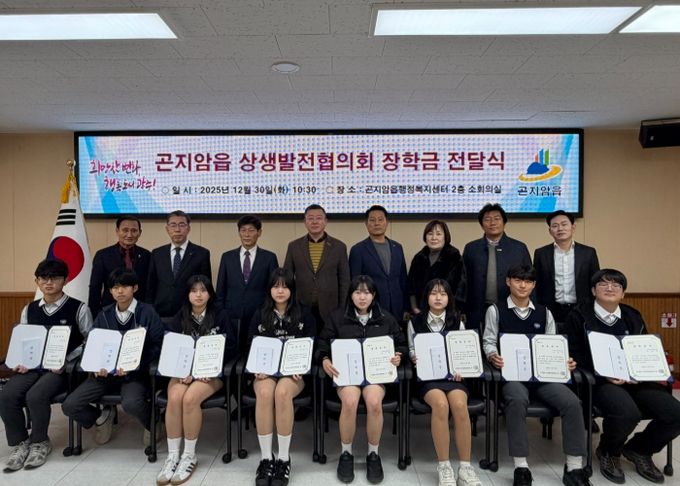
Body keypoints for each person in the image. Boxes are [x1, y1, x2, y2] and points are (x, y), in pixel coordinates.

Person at [563, 269, 680, 485]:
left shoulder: (632, 315)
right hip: (600, 381)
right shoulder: (579, 316)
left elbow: (643, 347)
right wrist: (604, 373)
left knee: (675, 413)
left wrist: (643, 371)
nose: (610, 288)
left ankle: (639, 449)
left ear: (623, 293)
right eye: (603, 284)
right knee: (627, 413)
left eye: (616, 285)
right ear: (593, 290)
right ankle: (609, 451)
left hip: (636, 380)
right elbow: (574, 353)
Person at [482, 265, 591, 486]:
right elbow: (489, 341)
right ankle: (521, 466)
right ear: (508, 282)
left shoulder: (544, 312)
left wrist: (564, 361)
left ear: (533, 285)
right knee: (516, 399)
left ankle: (574, 467)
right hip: (513, 376)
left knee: (572, 402)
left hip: (543, 377)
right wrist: (493, 356)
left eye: (528, 281)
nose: (522, 285)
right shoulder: (496, 310)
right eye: (517, 280)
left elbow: (553, 344)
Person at [0, 259, 92, 472]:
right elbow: (23, 339)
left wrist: (66, 361)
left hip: (61, 370)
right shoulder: (30, 309)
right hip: (32, 367)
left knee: (36, 395)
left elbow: (90, 340)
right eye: (43, 278)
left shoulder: (78, 308)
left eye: (55, 278)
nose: (49, 282)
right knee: (7, 395)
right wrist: (21, 361)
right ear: (37, 281)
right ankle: (21, 443)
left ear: (65, 281)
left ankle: (40, 442)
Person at [317, 275, 408, 484]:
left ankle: (373, 454)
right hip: (347, 375)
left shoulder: (386, 318)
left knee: (374, 402)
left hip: (375, 375)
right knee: (349, 401)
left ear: (373, 295)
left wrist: (399, 356)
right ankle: (346, 453)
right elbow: (322, 344)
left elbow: (401, 344)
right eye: (357, 292)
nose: (362, 297)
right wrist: (324, 360)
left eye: (367, 292)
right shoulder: (337, 317)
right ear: (351, 295)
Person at [62, 269, 164, 447]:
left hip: (135, 374)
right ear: (110, 291)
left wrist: (136, 364)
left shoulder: (147, 312)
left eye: (125, 286)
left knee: (131, 403)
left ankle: (152, 422)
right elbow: (92, 344)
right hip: (104, 374)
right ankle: (101, 418)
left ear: (135, 288)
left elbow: (158, 345)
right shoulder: (104, 314)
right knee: (70, 405)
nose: (120, 291)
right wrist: (95, 366)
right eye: (115, 287)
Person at [406, 278, 482, 486]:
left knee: (459, 405)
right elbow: (412, 349)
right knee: (440, 404)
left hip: (454, 378)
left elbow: (464, 350)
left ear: (449, 298)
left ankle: (465, 468)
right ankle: (444, 466)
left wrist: (462, 368)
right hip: (429, 378)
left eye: (443, 293)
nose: (438, 298)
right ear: (426, 297)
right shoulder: (415, 322)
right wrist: (414, 357)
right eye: (433, 293)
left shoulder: (458, 321)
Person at [156, 275, 229, 486]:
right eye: (194, 291)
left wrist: (206, 370)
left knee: (189, 399)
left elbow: (230, 349)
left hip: (210, 374)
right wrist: (182, 371)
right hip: (183, 373)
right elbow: (170, 348)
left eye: (203, 290)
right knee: (175, 397)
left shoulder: (221, 316)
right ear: (187, 294)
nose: (198, 295)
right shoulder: (179, 317)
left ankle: (189, 455)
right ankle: (172, 456)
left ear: (210, 294)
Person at [249, 268, 316, 486]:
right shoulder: (259, 313)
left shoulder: (304, 313)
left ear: (292, 290)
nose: (280, 291)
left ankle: (284, 459)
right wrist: (257, 367)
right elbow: (251, 345)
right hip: (265, 372)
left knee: (282, 393)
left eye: (285, 286)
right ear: (269, 289)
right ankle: (266, 458)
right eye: (276, 286)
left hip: (293, 373)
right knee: (265, 392)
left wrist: (302, 365)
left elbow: (312, 345)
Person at [462, 203, 531, 331]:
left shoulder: (519, 248)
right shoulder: (471, 248)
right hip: (477, 309)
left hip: (510, 307)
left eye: (497, 218)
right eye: (487, 219)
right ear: (481, 224)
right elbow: (464, 281)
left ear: (504, 222)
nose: (492, 223)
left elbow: (529, 279)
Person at [215, 214, 278, 349]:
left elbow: (273, 288)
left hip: (259, 313)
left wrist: (268, 312)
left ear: (259, 233)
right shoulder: (227, 257)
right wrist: (221, 312)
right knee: (232, 349)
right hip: (231, 313)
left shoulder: (269, 258)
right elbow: (220, 288)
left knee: (255, 349)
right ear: (239, 233)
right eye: (243, 230)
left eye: (251, 230)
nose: (247, 234)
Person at [284, 204, 350, 329]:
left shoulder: (339, 247)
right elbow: (287, 278)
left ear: (325, 221)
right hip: (301, 307)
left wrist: (342, 308)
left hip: (331, 308)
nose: (314, 222)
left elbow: (345, 281)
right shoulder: (294, 246)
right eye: (310, 218)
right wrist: (289, 306)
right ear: (305, 222)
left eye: (319, 218)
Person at [533, 210, 600, 324]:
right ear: (550, 231)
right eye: (555, 226)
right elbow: (536, 283)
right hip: (551, 310)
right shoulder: (541, 253)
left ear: (573, 227)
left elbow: (596, 282)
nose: (560, 228)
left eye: (564, 224)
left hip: (582, 309)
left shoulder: (588, 253)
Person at [148, 210, 212, 319]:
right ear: (167, 229)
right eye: (173, 225)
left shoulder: (201, 253)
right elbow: (151, 285)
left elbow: (205, 286)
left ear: (188, 228)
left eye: (182, 225)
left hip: (189, 313)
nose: (177, 229)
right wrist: (150, 310)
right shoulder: (157, 253)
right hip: (160, 313)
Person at [349, 205, 407, 322]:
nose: (377, 223)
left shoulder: (397, 247)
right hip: (371, 308)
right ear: (366, 224)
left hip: (397, 307)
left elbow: (403, 280)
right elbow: (354, 283)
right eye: (372, 220)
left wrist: (406, 308)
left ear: (387, 223)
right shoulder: (358, 250)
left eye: (380, 219)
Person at [89, 215, 151, 317]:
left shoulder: (147, 255)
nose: (129, 235)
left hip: (140, 312)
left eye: (134, 231)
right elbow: (95, 287)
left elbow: (150, 287)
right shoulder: (102, 255)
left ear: (140, 233)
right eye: (125, 230)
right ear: (117, 231)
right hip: (110, 311)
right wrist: (94, 314)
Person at [406, 220, 464, 316]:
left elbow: (460, 289)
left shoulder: (454, 257)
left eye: (438, 234)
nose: (434, 238)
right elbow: (411, 287)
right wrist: (415, 309)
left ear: (445, 236)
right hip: (421, 313)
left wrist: (451, 311)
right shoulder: (419, 258)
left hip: (447, 314)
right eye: (430, 234)